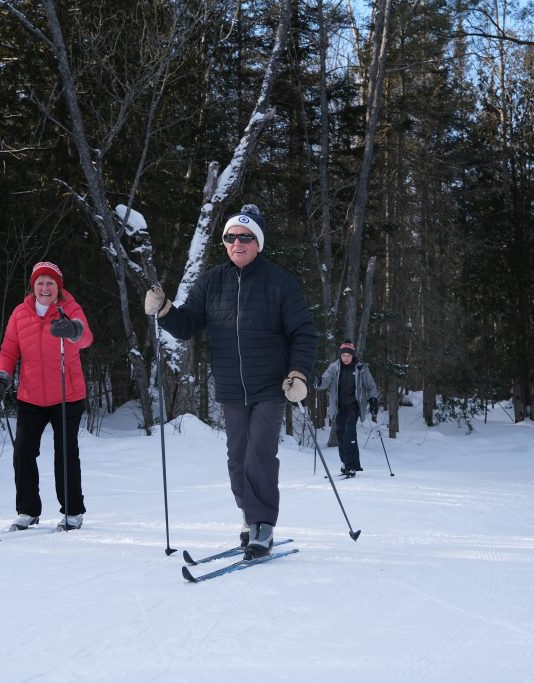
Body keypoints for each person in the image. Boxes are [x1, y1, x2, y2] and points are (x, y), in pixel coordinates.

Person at [145, 204, 316, 560]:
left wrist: (299, 373)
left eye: (246, 236)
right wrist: (164, 311)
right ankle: (249, 516)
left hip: (271, 385)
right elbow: (188, 325)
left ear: (258, 243)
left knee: (259, 454)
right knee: (237, 458)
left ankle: (262, 524)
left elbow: (303, 333)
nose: (237, 242)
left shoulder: (280, 282)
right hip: (230, 386)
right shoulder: (211, 281)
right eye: (231, 237)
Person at [0, 261, 94, 532]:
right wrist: (2, 376)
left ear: (58, 287)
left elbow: (86, 338)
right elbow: (9, 349)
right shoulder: (20, 313)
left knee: (65, 453)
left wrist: (73, 331)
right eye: (40, 283)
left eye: (50, 283)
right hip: (30, 395)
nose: (45, 288)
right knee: (23, 452)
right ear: (33, 287)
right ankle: (27, 511)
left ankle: (72, 512)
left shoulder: (69, 309)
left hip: (67, 395)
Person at [314, 341, 379, 477]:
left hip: (353, 406)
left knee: (349, 432)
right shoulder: (334, 367)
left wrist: (373, 399)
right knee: (341, 434)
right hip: (339, 407)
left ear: (353, 355)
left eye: (349, 356)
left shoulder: (361, 368)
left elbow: (370, 385)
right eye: (343, 355)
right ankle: (345, 463)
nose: (346, 358)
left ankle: (352, 465)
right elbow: (325, 381)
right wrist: (318, 382)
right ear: (340, 355)